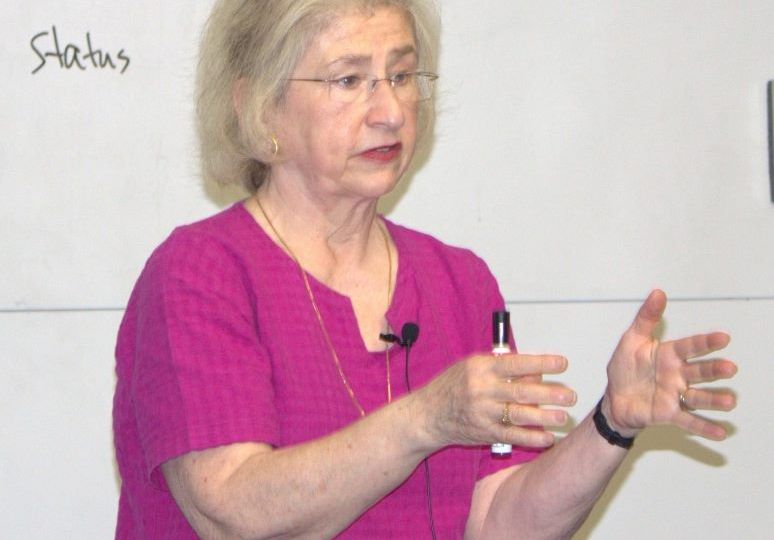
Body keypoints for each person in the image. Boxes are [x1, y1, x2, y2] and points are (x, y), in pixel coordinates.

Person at [112, 0, 738, 538]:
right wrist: (427, 418)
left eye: (403, 74)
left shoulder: (459, 282)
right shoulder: (200, 273)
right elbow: (232, 514)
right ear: (260, 106)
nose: (390, 110)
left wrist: (611, 423)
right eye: (349, 80)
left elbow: (499, 521)